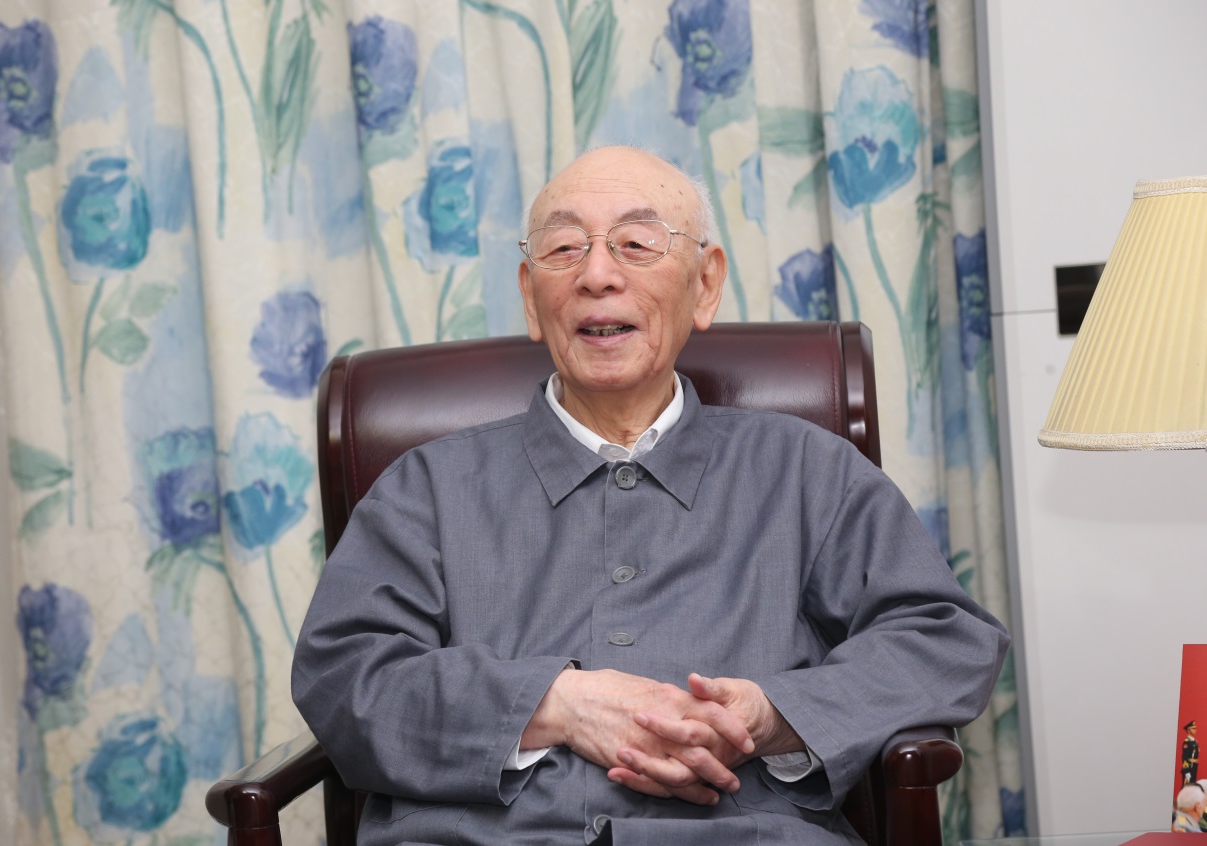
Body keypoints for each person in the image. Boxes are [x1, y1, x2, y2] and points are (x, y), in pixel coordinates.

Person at [292, 146, 1011, 846]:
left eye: (636, 244)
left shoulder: (807, 470)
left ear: (705, 284)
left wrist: (771, 716)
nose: (597, 275)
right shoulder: (426, 488)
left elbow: (945, 639)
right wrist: (555, 705)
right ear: (530, 296)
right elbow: (343, 676)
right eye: (564, 249)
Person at [1185, 720, 1200, 785]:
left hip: (1194, 766)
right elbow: (1185, 757)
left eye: (1195, 728)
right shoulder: (1187, 742)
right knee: (1187, 787)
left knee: (1193, 785)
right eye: (1193, 729)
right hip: (1189, 767)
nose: (1195, 730)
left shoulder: (1194, 741)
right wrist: (1186, 771)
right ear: (1188, 730)